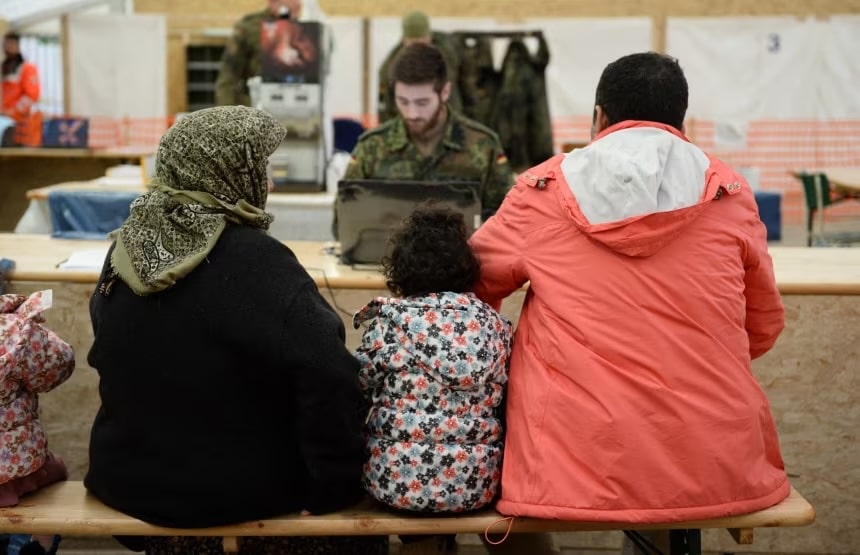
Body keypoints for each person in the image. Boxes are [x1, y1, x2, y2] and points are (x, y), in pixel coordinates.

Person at [468, 51, 789, 542]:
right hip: (715, 463)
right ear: (680, 121)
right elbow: (762, 327)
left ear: (599, 116)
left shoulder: (542, 191)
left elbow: (470, 291)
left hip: (567, 464)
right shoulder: (730, 193)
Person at [84, 106, 387, 555]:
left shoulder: (125, 249)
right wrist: (334, 489)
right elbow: (330, 374)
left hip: (128, 486)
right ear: (226, 172)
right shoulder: (258, 261)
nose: (269, 183)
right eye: (260, 167)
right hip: (232, 500)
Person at [353, 208, 513, 554]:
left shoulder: (389, 323)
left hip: (394, 484)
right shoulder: (495, 327)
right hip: (477, 485)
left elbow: (356, 389)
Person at [343, 43, 513, 226]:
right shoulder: (372, 147)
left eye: (422, 102)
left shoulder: (483, 146)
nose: (412, 113)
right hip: (384, 253)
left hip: (461, 253)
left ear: (445, 92)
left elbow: (509, 217)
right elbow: (344, 219)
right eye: (403, 101)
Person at [1, 290, 75, 555]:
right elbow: (60, 363)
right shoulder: (14, 331)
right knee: (56, 473)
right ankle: (35, 544)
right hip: (14, 473)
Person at [215, 0, 326, 106]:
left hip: (296, 106)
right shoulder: (250, 27)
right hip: (256, 107)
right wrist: (226, 114)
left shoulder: (305, 30)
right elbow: (227, 78)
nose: (298, 4)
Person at [377, 11, 462, 124]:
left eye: (421, 41)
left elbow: (468, 88)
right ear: (404, 40)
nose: (418, 48)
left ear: (429, 37)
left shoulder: (450, 55)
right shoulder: (390, 67)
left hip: (450, 123)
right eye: (413, 42)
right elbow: (384, 105)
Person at [2, 32, 39, 119]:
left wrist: (14, 111)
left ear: (17, 46)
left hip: (18, 119)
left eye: (11, 44)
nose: (8, 47)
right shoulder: (3, 68)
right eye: (6, 44)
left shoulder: (27, 68)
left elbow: (32, 95)